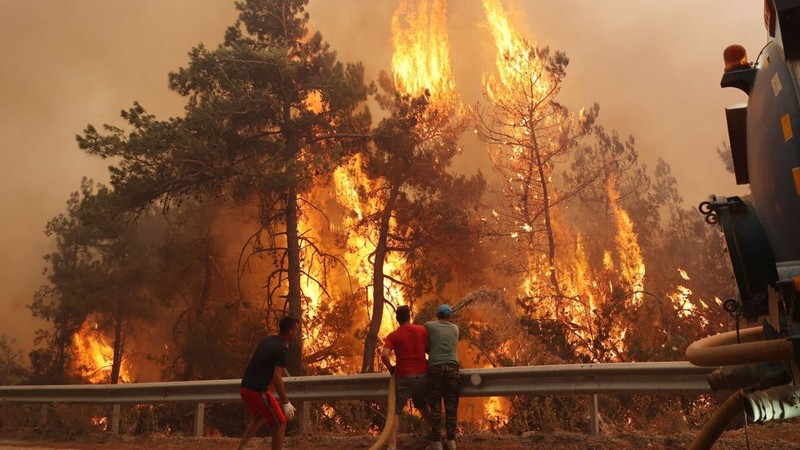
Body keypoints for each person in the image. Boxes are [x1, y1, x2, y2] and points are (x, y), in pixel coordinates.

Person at [237, 316, 300, 450]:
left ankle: (240, 448)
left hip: (245, 388)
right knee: (280, 423)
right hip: (256, 391)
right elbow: (277, 377)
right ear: (290, 331)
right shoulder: (281, 349)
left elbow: (259, 363)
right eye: (296, 330)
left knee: (261, 416)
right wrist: (286, 403)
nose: (297, 333)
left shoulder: (268, 340)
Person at [381, 305, 429, 450]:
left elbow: (384, 354)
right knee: (422, 406)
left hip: (404, 377)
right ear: (410, 315)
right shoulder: (422, 330)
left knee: (395, 412)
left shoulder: (394, 335)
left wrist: (390, 369)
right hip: (422, 375)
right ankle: (437, 435)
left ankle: (392, 445)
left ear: (397, 319)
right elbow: (429, 348)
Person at [424, 304, 460, 450]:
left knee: (436, 407)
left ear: (437, 315)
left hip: (435, 369)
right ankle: (451, 441)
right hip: (452, 368)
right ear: (449, 316)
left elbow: (425, 344)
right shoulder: (455, 328)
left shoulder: (428, 326)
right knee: (451, 406)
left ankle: (436, 442)